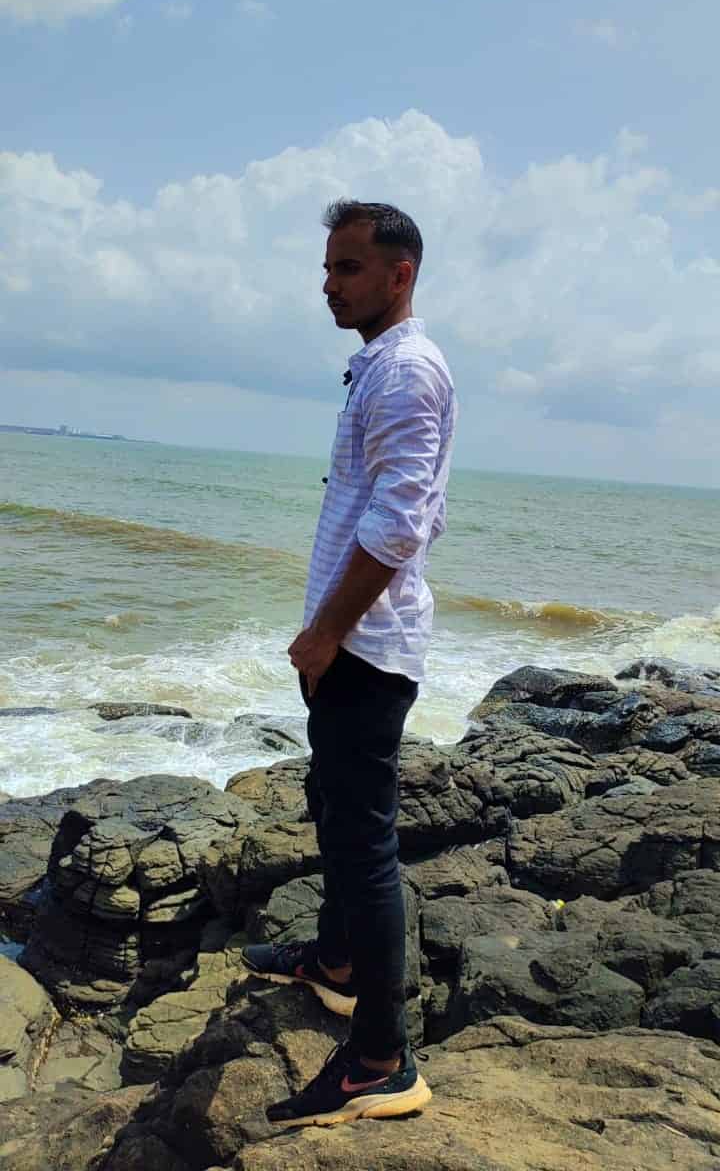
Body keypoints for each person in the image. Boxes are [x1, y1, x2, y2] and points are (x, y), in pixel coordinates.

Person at [242, 200, 457, 1127]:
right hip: (354, 639)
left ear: (399, 275)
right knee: (333, 807)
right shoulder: (379, 366)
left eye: (347, 268)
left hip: (365, 644)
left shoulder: (406, 372)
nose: (328, 285)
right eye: (328, 267)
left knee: (365, 848)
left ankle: (379, 1060)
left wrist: (326, 633)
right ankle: (334, 962)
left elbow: (400, 526)